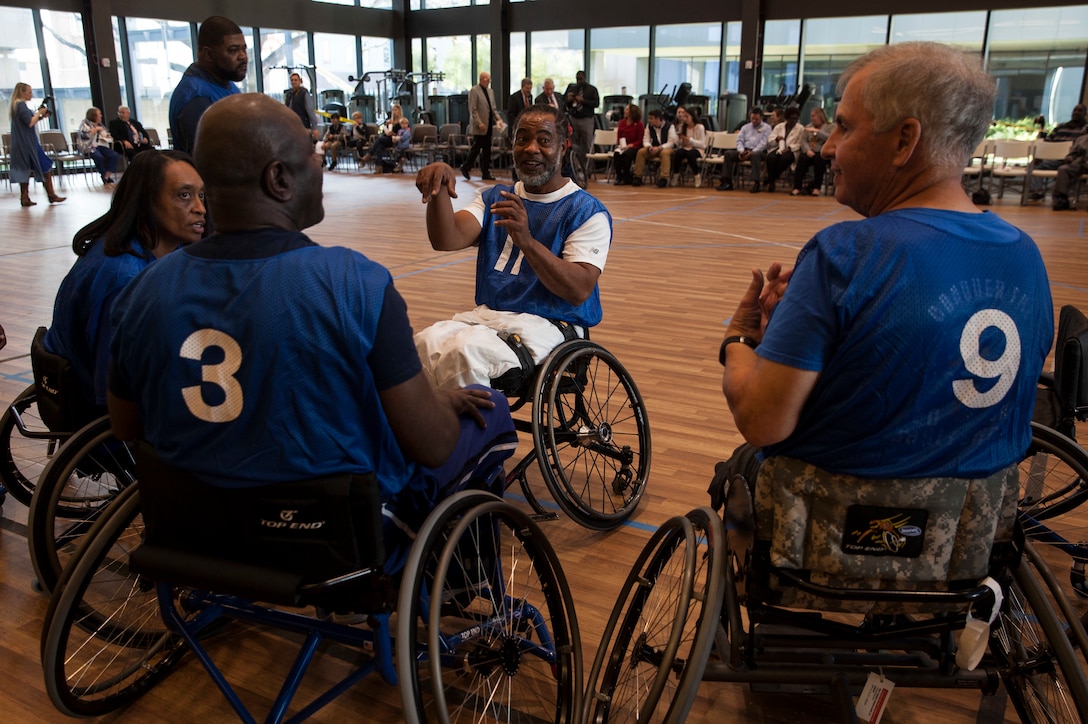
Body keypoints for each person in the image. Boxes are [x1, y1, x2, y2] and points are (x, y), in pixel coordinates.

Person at [107, 93, 517, 575]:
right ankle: (465, 586)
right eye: (312, 153)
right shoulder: (352, 281)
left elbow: (128, 427)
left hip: (190, 526)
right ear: (279, 178)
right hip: (323, 533)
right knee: (490, 417)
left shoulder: (141, 291)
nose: (321, 163)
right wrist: (432, 403)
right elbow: (432, 445)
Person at [717, 43, 1052, 529]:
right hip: (973, 533)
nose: (828, 146)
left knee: (741, 469)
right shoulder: (1026, 254)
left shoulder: (846, 253)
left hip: (839, 536)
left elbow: (762, 421)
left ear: (904, 141)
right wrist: (803, 333)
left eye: (845, 126)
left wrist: (742, 339)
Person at [413, 104, 612, 390]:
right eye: (522, 139)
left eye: (544, 140)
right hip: (491, 317)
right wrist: (439, 187)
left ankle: (469, 432)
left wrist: (527, 241)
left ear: (563, 148)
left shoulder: (586, 211)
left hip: (553, 323)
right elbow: (446, 238)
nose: (531, 148)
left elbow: (579, 289)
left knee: (465, 354)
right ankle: (431, 430)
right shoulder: (496, 198)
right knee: (423, 344)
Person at [44, 150, 206, 414]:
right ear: (146, 202)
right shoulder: (124, 278)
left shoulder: (148, 250)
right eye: (184, 195)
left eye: (201, 195)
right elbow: (113, 392)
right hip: (110, 425)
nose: (200, 208)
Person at [168, 15, 247, 154]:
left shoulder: (226, 84)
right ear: (209, 54)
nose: (243, 56)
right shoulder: (196, 98)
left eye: (244, 49)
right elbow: (211, 162)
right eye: (233, 50)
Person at [8, 82, 65, 206]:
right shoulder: (21, 105)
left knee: (24, 169)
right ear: (22, 92)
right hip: (29, 144)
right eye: (29, 91)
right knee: (45, 165)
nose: (31, 94)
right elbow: (29, 122)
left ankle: (25, 197)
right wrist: (39, 113)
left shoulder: (15, 106)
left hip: (20, 143)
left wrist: (39, 117)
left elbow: (28, 121)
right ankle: (51, 194)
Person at [1029, 103, 1088, 202]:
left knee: (1068, 170)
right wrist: (1041, 155)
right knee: (1033, 164)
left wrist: (1070, 158)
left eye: (1080, 111)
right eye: (1075, 110)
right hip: (1053, 159)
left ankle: (1062, 196)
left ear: (1085, 114)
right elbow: (1047, 141)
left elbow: (1081, 147)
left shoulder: (1085, 130)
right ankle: (1037, 191)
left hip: (1071, 160)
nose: (1076, 112)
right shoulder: (1060, 127)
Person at [716, 108, 773, 192]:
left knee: (755, 155)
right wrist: (741, 151)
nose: (754, 121)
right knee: (728, 154)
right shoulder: (745, 127)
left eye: (756, 119)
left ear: (761, 118)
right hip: (745, 149)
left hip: (759, 151)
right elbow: (739, 140)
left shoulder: (767, 128)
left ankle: (756, 183)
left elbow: (764, 143)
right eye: (752, 119)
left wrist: (751, 152)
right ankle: (727, 182)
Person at [461, 71, 501, 181]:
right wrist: (479, 123)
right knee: (476, 148)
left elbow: (493, 109)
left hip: (488, 124)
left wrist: (499, 119)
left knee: (487, 149)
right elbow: (473, 110)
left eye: (489, 80)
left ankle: (485, 172)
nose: (488, 82)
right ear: (481, 79)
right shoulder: (474, 91)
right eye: (487, 79)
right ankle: (465, 167)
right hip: (480, 125)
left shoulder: (490, 91)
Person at [791, 107, 834, 196]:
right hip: (810, 150)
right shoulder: (808, 127)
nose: (812, 118)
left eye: (813, 116)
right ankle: (797, 187)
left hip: (822, 151)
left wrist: (818, 131)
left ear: (820, 116)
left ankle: (816, 188)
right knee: (802, 159)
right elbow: (803, 141)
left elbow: (830, 139)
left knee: (820, 160)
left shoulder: (831, 126)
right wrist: (807, 150)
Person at [764, 105, 803, 191]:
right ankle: (772, 181)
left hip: (792, 150)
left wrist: (789, 148)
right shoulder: (779, 127)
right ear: (787, 118)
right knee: (771, 158)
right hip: (779, 148)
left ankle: (771, 179)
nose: (793, 121)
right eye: (791, 118)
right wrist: (776, 139)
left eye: (795, 119)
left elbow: (800, 143)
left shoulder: (800, 128)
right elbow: (770, 139)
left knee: (785, 159)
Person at [78, 107, 121, 185]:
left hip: (100, 145)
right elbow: (86, 135)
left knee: (114, 155)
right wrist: (97, 129)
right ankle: (103, 174)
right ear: (94, 115)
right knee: (98, 157)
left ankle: (106, 176)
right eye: (99, 114)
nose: (101, 116)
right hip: (89, 146)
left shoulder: (100, 124)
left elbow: (107, 135)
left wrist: (105, 136)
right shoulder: (85, 123)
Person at [632, 109, 674, 188]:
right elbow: (645, 139)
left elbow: (671, 142)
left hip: (666, 148)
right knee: (641, 152)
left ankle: (664, 178)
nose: (649, 120)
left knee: (665, 153)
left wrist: (660, 148)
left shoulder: (670, 126)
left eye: (651, 118)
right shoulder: (649, 126)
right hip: (653, 148)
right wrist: (649, 147)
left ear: (657, 119)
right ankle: (637, 176)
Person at [564, 70, 599, 159]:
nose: (579, 81)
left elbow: (596, 103)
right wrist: (569, 100)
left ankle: (589, 168)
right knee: (575, 145)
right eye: (577, 79)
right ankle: (577, 167)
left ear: (585, 78)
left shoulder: (592, 89)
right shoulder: (573, 89)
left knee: (587, 143)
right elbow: (565, 103)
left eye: (581, 79)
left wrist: (583, 101)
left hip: (586, 119)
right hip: (574, 118)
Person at [1048, 132, 1088, 210]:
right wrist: (1069, 158)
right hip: (1080, 164)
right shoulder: (1081, 139)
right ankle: (1062, 199)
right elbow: (1073, 153)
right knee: (1063, 169)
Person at [669, 106, 706, 187]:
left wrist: (690, 140)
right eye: (684, 117)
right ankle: (676, 175)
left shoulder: (700, 127)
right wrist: (680, 139)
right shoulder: (683, 127)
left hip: (698, 149)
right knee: (678, 153)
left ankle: (697, 175)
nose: (684, 119)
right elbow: (680, 143)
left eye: (687, 116)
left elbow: (702, 144)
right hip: (686, 148)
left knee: (691, 155)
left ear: (692, 117)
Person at [506, 78, 535, 182]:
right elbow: (510, 115)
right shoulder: (514, 98)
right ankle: (515, 176)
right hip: (516, 129)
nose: (529, 90)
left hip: (527, 130)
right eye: (527, 88)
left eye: (530, 88)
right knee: (517, 152)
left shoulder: (530, 97)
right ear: (522, 87)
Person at [612, 104, 644, 186]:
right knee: (616, 154)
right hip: (623, 146)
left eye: (627, 109)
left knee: (627, 155)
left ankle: (626, 176)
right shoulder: (622, 123)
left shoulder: (639, 124)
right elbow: (619, 136)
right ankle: (619, 176)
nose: (624, 111)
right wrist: (621, 145)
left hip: (634, 146)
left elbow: (640, 140)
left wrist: (630, 145)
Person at [285, 72, 320, 141]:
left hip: (303, 124)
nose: (293, 82)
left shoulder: (304, 93)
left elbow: (310, 110)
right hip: (291, 125)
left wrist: (314, 128)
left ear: (300, 81)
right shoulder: (289, 94)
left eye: (295, 80)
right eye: (292, 80)